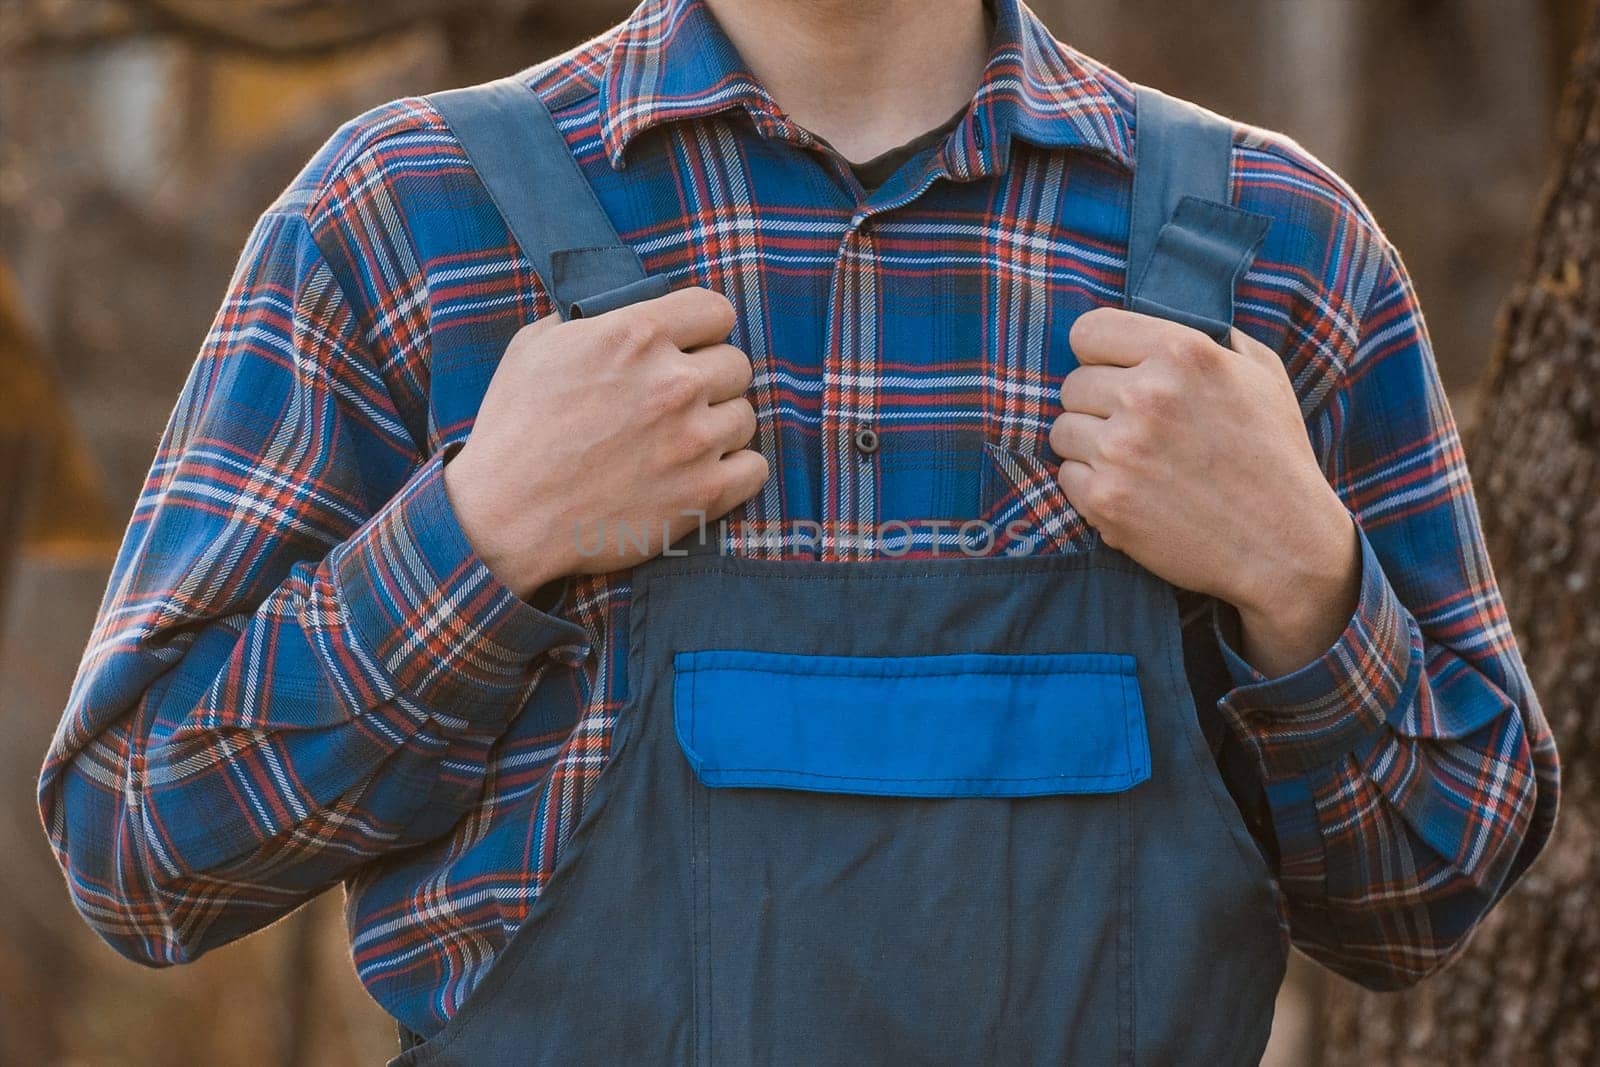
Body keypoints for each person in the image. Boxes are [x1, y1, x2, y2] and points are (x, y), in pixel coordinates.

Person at [38, 0, 1559, 1063]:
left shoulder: (1274, 254)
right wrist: (482, 536)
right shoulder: (406, 222)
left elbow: (1431, 899)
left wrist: (1301, 581)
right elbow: (142, 847)